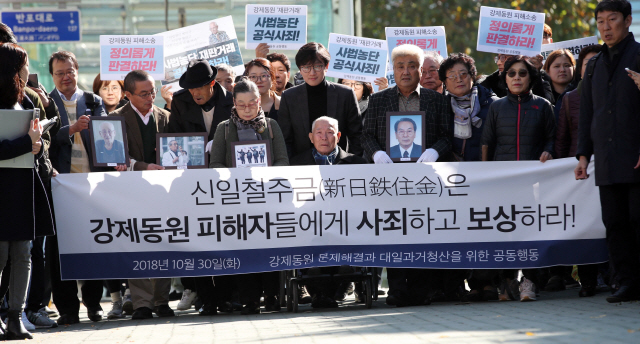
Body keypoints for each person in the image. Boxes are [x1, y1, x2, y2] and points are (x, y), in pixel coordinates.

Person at [362, 44, 450, 307]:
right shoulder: (378, 100)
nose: (406, 71)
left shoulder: (436, 100)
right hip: (390, 181)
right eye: (400, 66)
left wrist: (435, 150)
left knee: (423, 232)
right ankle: (397, 290)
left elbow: (447, 136)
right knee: (395, 232)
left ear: (421, 69)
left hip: (426, 180)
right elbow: (366, 136)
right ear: (392, 69)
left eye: (412, 65)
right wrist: (377, 154)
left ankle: (422, 290)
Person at [575, 0, 640, 303]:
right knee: (614, 223)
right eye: (600, 21)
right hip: (607, 158)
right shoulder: (595, 65)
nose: (605, 27)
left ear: (627, 20)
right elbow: (588, 113)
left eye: (611, 19)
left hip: (636, 154)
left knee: (638, 219)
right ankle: (625, 283)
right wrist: (583, 155)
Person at [209, 79, 288, 314]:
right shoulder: (224, 128)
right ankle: (249, 298)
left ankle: (273, 295)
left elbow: (283, 159)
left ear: (259, 101)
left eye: (251, 103)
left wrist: (268, 177)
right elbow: (215, 163)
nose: (246, 109)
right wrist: (233, 178)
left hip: (268, 199)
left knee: (270, 248)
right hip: (237, 200)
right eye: (241, 104)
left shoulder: (272, 125)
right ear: (234, 103)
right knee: (245, 250)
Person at [481, 55, 556, 302]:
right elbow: (487, 142)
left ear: (530, 77)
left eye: (522, 73)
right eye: (511, 73)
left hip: (533, 182)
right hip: (502, 182)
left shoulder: (543, 105)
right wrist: (484, 172)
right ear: (505, 78)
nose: (516, 78)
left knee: (530, 231)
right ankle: (507, 282)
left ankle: (530, 282)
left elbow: (551, 138)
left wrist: (549, 150)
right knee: (504, 231)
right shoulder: (496, 106)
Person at [47, 50, 108, 326]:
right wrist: (69, 130)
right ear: (52, 76)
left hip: (90, 186)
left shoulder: (93, 101)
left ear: (77, 70)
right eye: (59, 73)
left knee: (93, 245)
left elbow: (109, 134)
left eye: (69, 71)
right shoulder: (46, 102)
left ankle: (93, 304)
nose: (65, 77)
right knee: (60, 250)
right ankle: (67, 309)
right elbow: (43, 137)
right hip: (60, 186)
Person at [108, 70, 175, 319]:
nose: (150, 97)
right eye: (144, 93)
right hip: (130, 193)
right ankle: (141, 303)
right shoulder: (115, 120)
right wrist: (142, 166)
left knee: (164, 242)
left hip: (162, 192)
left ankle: (161, 300)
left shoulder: (165, 117)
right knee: (137, 244)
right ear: (128, 95)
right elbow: (112, 158)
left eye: (153, 92)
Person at [0, 42, 54, 340]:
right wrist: (27, 143)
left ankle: (15, 317)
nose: (27, 69)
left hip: (23, 185)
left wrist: (37, 143)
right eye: (23, 62)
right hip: (3, 187)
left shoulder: (25, 102)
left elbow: (34, 146)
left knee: (23, 254)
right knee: (1, 254)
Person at [439, 52, 500, 301]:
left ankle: (484, 283)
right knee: (455, 229)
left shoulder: (492, 103)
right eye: (451, 76)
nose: (458, 79)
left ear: (473, 76)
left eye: (463, 74)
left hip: (483, 175)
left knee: (482, 227)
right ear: (444, 81)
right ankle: (458, 282)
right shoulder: (439, 104)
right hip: (450, 176)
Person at [289, 116, 368, 308]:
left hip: (347, 229)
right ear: (310, 137)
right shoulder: (295, 165)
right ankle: (320, 293)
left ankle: (335, 290)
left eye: (330, 132)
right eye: (319, 133)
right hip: (310, 229)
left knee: (345, 257)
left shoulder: (357, 164)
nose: (324, 137)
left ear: (339, 136)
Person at [554, 44, 603, 297]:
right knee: (585, 226)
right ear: (580, 69)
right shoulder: (570, 99)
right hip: (580, 173)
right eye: (587, 63)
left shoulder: (615, 94)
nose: (592, 67)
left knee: (613, 223)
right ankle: (588, 281)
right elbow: (562, 140)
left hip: (610, 168)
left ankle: (618, 277)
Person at [278, 42, 363, 157]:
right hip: (301, 166)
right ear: (300, 69)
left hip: (340, 166)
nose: (312, 72)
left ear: (326, 66)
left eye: (317, 66)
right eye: (306, 67)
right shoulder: (289, 97)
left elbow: (357, 135)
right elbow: (285, 139)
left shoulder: (345, 94)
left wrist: (352, 162)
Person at [168, 59, 233, 150]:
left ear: (212, 83)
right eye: (191, 88)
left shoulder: (232, 101)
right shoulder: (179, 101)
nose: (195, 93)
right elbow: (174, 134)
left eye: (199, 88)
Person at [480, 54, 553, 102]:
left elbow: (543, 107)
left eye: (503, 57)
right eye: (498, 58)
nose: (498, 62)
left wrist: (536, 75)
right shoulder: (487, 85)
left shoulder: (542, 81)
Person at [543, 49, 576, 113]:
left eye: (567, 65)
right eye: (557, 66)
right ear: (547, 71)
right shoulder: (542, 96)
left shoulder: (582, 93)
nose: (562, 70)